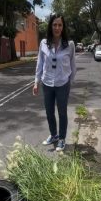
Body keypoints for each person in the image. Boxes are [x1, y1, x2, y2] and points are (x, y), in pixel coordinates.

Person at [33, 14, 76, 152]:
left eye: (60, 25)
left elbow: (73, 66)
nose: (57, 28)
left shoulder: (69, 45)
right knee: (49, 112)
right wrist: (36, 81)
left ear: (63, 27)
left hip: (63, 84)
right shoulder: (43, 43)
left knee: (62, 112)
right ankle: (54, 135)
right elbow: (40, 63)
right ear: (50, 26)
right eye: (54, 25)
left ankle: (62, 139)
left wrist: (70, 81)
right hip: (47, 83)